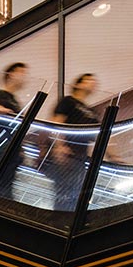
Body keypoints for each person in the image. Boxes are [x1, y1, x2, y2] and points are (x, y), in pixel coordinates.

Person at [46, 72, 101, 211]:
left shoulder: (91, 111)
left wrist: (113, 156)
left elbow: (99, 135)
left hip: (80, 158)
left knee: (77, 193)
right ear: (78, 84)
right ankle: (59, 221)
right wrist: (59, 146)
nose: (92, 83)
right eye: (88, 80)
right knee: (64, 191)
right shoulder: (68, 101)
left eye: (94, 81)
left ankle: (70, 219)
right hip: (67, 154)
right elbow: (57, 122)